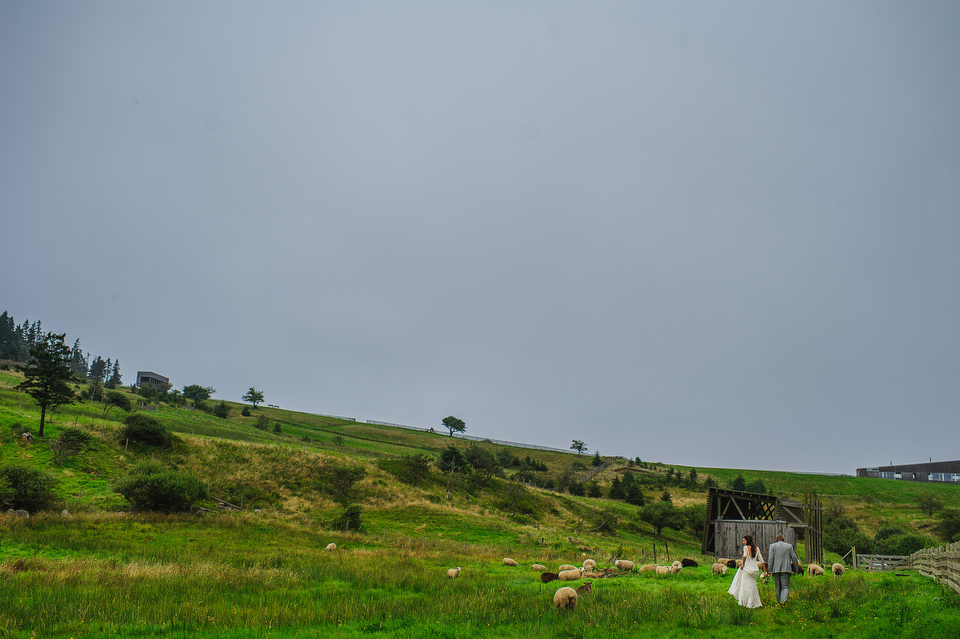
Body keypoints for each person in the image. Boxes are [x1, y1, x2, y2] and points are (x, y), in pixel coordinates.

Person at [727, 534, 763, 608]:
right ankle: (754, 602)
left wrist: (743, 564)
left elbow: (745, 556)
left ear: (747, 541)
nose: (743, 542)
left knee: (745, 585)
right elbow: (761, 560)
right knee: (753, 586)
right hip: (755, 569)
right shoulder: (757, 548)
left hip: (747, 569)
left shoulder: (746, 548)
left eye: (744, 541)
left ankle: (745, 602)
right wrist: (765, 571)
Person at [764, 533, 801, 604]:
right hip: (786, 569)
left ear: (776, 539)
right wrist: (796, 569)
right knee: (785, 587)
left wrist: (769, 569)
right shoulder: (789, 546)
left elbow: (771, 558)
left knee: (777, 587)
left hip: (776, 569)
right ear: (783, 539)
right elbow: (794, 558)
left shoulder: (772, 546)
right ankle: (783, 602)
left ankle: (778, 602)